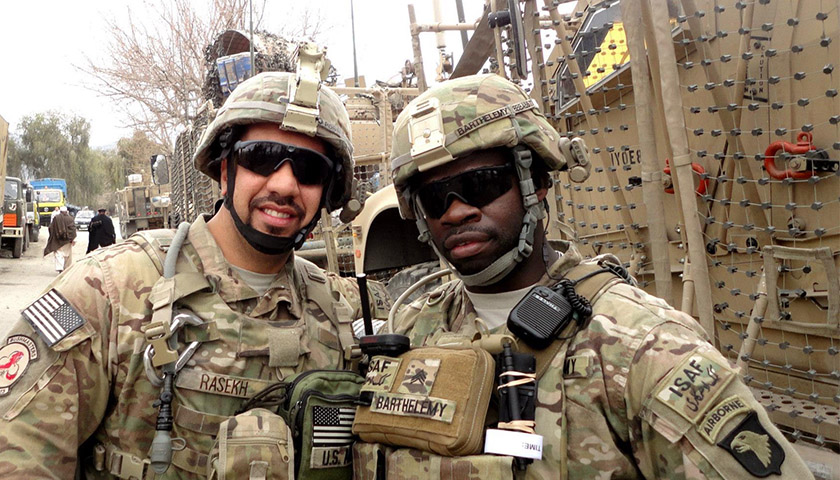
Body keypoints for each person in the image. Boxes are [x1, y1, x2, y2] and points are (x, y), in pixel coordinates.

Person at [367, 74, 813, 479]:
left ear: (536, 182)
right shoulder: (413, 330)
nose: (457, 210)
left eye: (482, 183)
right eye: (433, 198)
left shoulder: (641, 347)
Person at [0, 70, 391, 478]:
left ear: (328, 192)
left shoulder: (338, 310)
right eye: (261, 157)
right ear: (225, 172)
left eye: (310, 169)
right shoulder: (107, 288)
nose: (285, 184)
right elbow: (19, 451)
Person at [43, 205, 76, 273]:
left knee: (59, 254)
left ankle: (60, 268)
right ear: (66, 212)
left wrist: (54, 235)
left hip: (58, 240)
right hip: (67, 241)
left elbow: (51, 228)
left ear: (60, 211)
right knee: (67, 255)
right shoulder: (70, 218)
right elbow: (73, 230)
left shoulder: (56, 218)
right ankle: (66, 268)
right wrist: (72, 239)